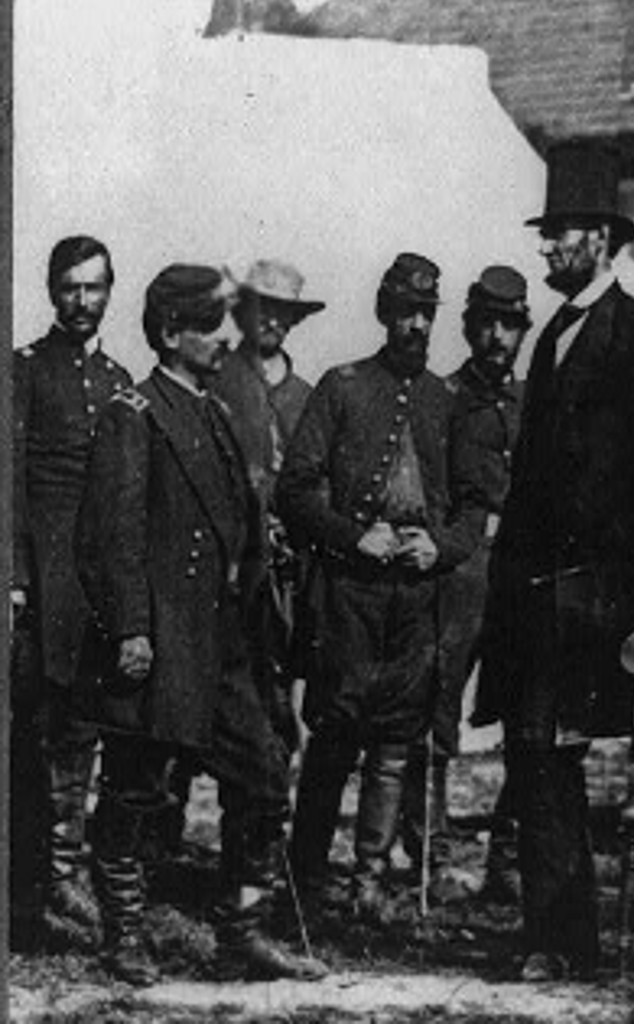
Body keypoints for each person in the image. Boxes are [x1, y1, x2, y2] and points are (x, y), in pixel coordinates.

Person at [474, 141, 634, 981]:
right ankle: (555, 935)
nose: (546, 250)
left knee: (552, 754)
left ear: (604, 241)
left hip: (595, 598)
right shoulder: (554, 337)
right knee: (534, 756)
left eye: (561, 235)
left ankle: (562, 942)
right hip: (536, 595)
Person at [75, 264, 325, 984]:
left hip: (221, 647)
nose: (225, 338)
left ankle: (239, 935)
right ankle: (122, 938)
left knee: (264, 779)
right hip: (157, 646)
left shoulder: (212, 411)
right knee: (135, 795)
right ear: (170, 332)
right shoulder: (135, 412)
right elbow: (108, 536)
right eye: (211, 325)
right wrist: (129, 630)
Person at [276, 252, 484, 920]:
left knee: (396, 743)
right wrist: (349, 535)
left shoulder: (447, 402)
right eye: (404, 312)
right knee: (336, 735)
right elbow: (295, 489)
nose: (416, 325)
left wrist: (441, 547)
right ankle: (306, 880)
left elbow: (475, 509)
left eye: (426, 313)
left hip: (418, 598)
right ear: (383, 314)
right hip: (349, 595)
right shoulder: (342, 388)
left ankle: (368, 881)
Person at [153, 260, 324, 854]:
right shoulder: (218, 381)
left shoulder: (307, 396)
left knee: (268, 717)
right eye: (261, 309)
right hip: (213, 579)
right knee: (181, 721)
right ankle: (161, 849)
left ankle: (246, 861)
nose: (271, 322)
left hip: (276, 583)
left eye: (286, 313)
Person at [11, 235, 131, 940]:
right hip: (42, 578)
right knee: (37, 730)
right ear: (52, 291)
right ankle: (40, 883)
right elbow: (12, 481)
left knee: (85, 727)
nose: (82, 302)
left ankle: (66, 871)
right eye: (70, 288)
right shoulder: (25, 370)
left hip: (95, 588)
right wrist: (17, 580)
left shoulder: (117, 379)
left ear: (111, 291)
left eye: (94, 288)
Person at [398, 265, 529, 901]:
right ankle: (432, 853)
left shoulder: (535, 402)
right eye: (489, 324)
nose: (498, 337)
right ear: (471, 328)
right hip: (462, 570)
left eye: (510, 326)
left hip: (523, 572)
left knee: (530, 714)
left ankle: (509, 854)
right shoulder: (441, 399)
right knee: (437, 710)